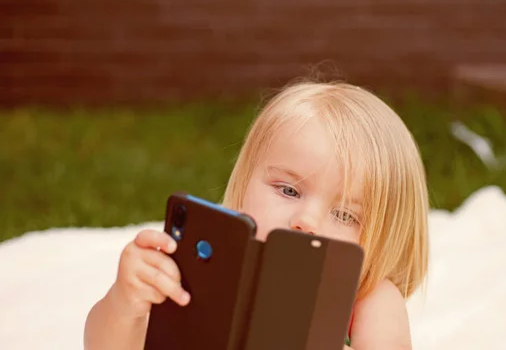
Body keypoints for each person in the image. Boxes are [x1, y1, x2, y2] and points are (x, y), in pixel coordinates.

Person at [84, 77, 429, 350]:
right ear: (246, 182)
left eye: (344, 215)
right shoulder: (213, 265)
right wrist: (124, 302)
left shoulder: (369, 299)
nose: (305, 221)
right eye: (289, 190)